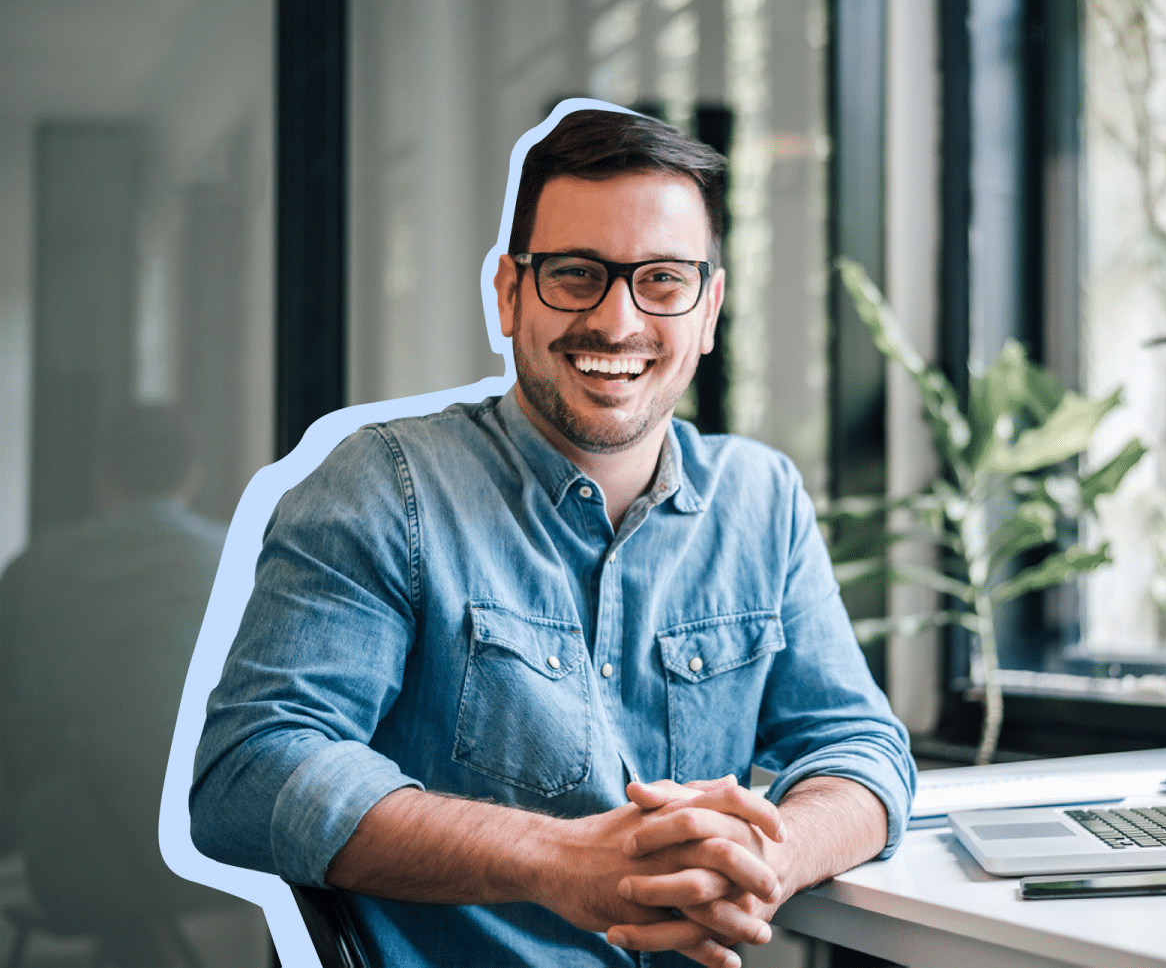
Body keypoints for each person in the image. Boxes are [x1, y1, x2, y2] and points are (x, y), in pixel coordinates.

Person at [190, 108, 916, 968]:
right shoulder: (384, 487)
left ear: (709, 308)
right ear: (508, 293)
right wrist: (555, 859)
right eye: (575, 274)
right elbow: (249, 770)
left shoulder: (763, 499)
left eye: (662, 280)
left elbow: (861, 747)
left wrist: (773, 851)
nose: (615, 322)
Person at [1, 405, 238, 966]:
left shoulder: (37, 570)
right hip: (220, 860)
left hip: (73, 863)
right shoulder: (242, 561)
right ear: (192, 477)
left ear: (105, 475)